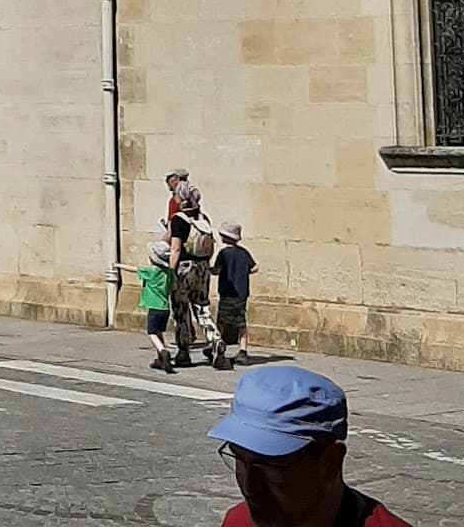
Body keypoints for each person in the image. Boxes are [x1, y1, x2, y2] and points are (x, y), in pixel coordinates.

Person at [210, 365, 413, 527]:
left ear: (331, 462)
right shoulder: (238, 521)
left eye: (269, 467)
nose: (249, 486)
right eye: (239, 460)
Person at [168, 179, 218, 366]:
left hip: (184, 268)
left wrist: (170, 272)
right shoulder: (203, 219)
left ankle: (183, 350)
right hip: (202, 267)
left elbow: (176, 249)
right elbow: (211, 246)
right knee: (202, 308)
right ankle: (215, 341)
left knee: (181, 309)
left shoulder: (179, 220)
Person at [119, 240, 177, 374]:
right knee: (159, 332)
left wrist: (119, 265)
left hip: (154, 307)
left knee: (151, 333)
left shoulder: (151, 272)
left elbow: (134, 269)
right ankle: (160, 359)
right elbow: (174, 287)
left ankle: (163, 351)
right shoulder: (169, 273)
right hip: (165, 307)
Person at [212, 221, 257, 370]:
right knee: (241, 322)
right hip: (241, 293)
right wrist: (243, 273)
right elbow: (255, 267)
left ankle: (217, 346)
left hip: (227, 293)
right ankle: (243, 350)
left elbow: (217, 270)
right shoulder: (244, 253)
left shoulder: (223, 254)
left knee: (222, 322)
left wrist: (209, 270)